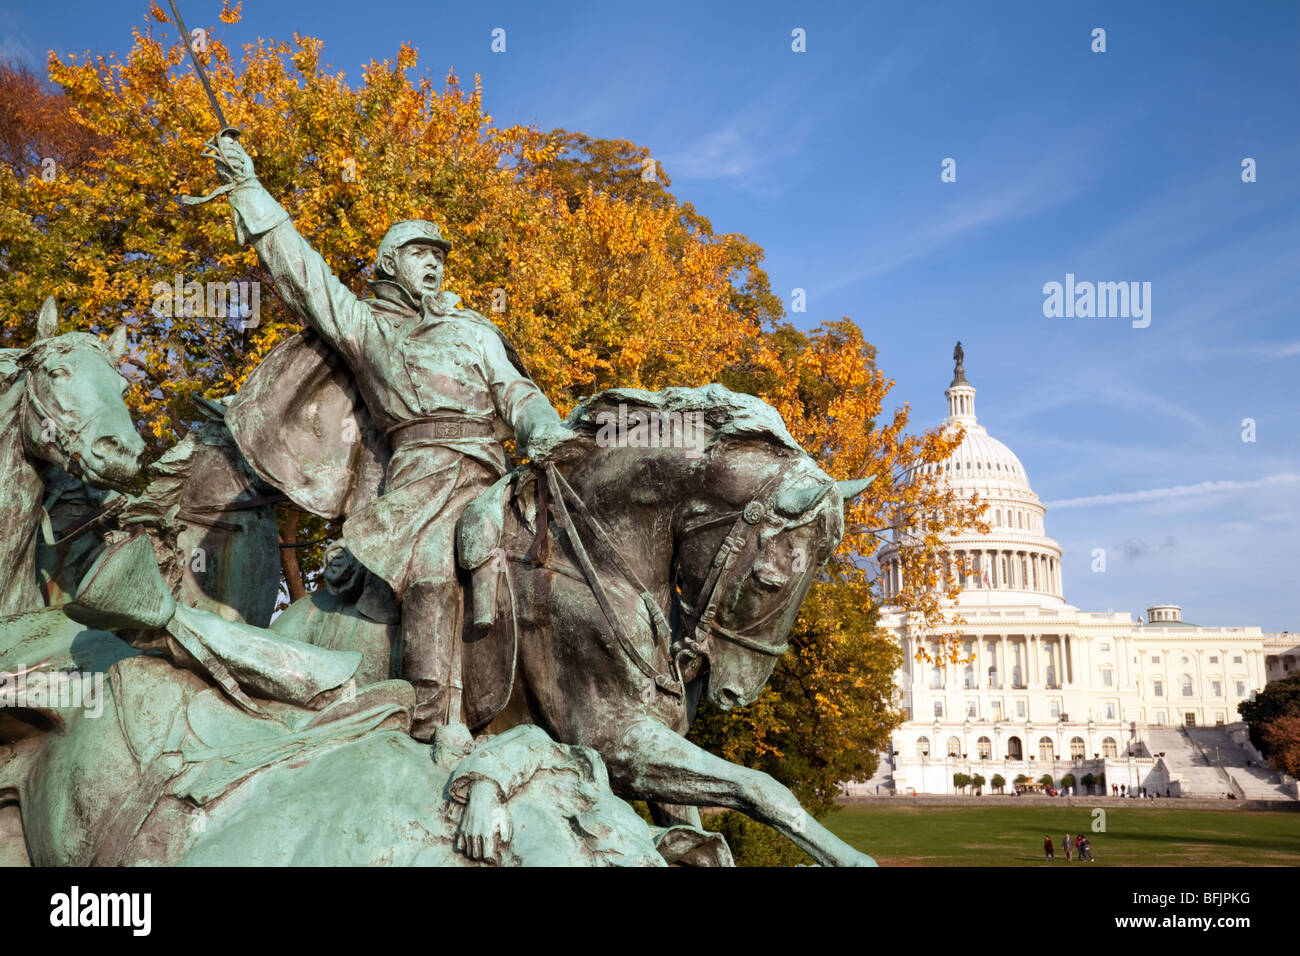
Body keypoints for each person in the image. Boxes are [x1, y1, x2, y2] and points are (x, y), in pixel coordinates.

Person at [202, 134, 576, 740]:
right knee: (433, 568)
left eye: (440, 256)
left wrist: (545, 430)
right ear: (390, 263)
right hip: (421, 483)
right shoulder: (368, 328)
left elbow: (515, 391)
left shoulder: (475, 330)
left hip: (495, 474)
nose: (434, 263)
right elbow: (305, 275)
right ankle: (434, 720)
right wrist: (250, 190)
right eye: (420, 252)